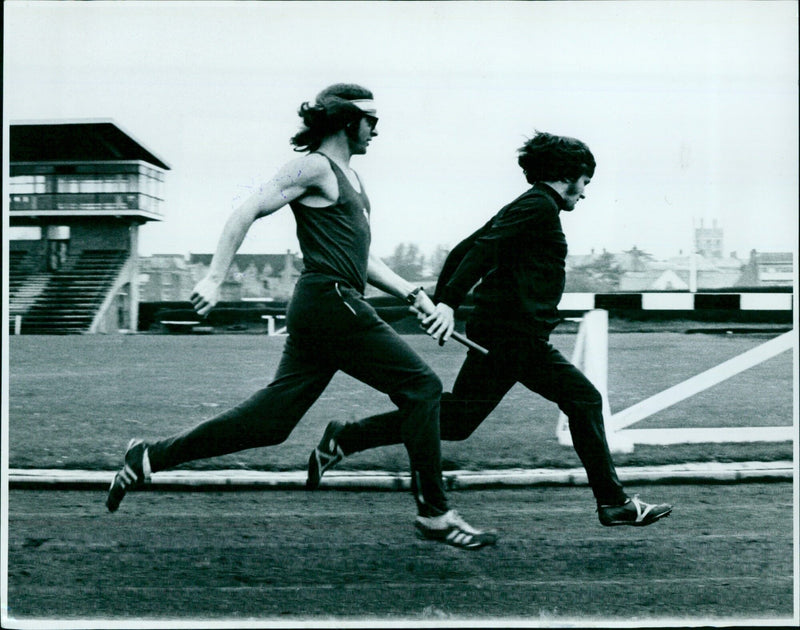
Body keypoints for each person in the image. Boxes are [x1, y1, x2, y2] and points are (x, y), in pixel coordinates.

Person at [105, 83, 497, 550]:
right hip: (330, 300)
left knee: (271, 424)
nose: (377, 131)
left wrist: (413, 293)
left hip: (328, 304)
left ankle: (147, 455)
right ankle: (435, 513)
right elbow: (246, 210)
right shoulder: (314, 166)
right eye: (372, 122)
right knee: (423, 387)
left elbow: (361, 257)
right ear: (348, 121)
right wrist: (213, 277)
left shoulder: (353, 181)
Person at [307, 131, 673, 527]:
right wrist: (445, 304)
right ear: (569, 175)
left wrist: (442, 300)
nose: (584, 193)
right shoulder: (538, 208)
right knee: (583, 399)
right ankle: (613, 501)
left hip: (505, 336)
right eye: (586, 182)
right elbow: (479, 251)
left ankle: (345, 437)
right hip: (515, 338)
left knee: (459, 421)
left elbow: (467, 247)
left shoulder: (528, 206)